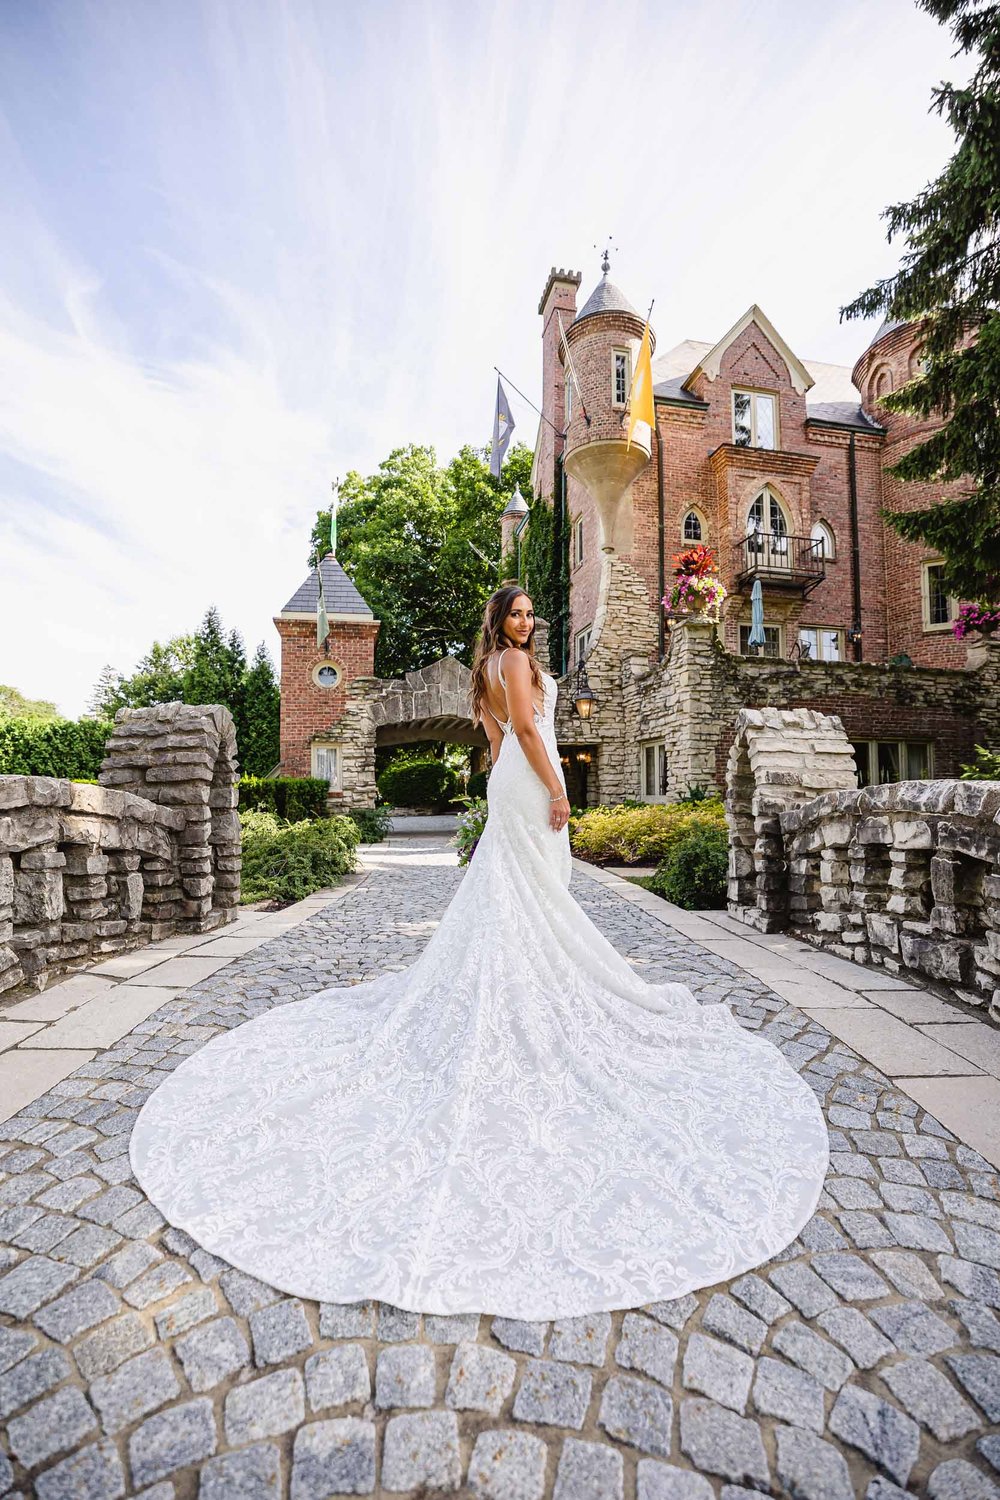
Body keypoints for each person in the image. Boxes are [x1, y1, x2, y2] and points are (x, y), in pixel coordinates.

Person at [128, 584, 829, 1319]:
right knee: (534, 891)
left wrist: (518, 785)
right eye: (518, 613)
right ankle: (529, 991)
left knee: (521, 891)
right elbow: (526, 732)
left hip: (506, 785)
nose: (528, 622)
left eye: (531, 614)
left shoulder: (487, 667)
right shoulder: (516, 668)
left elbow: (495, 741)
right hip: (529, 780)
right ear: (499, 621)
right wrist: (559, 790)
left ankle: (525, 980)